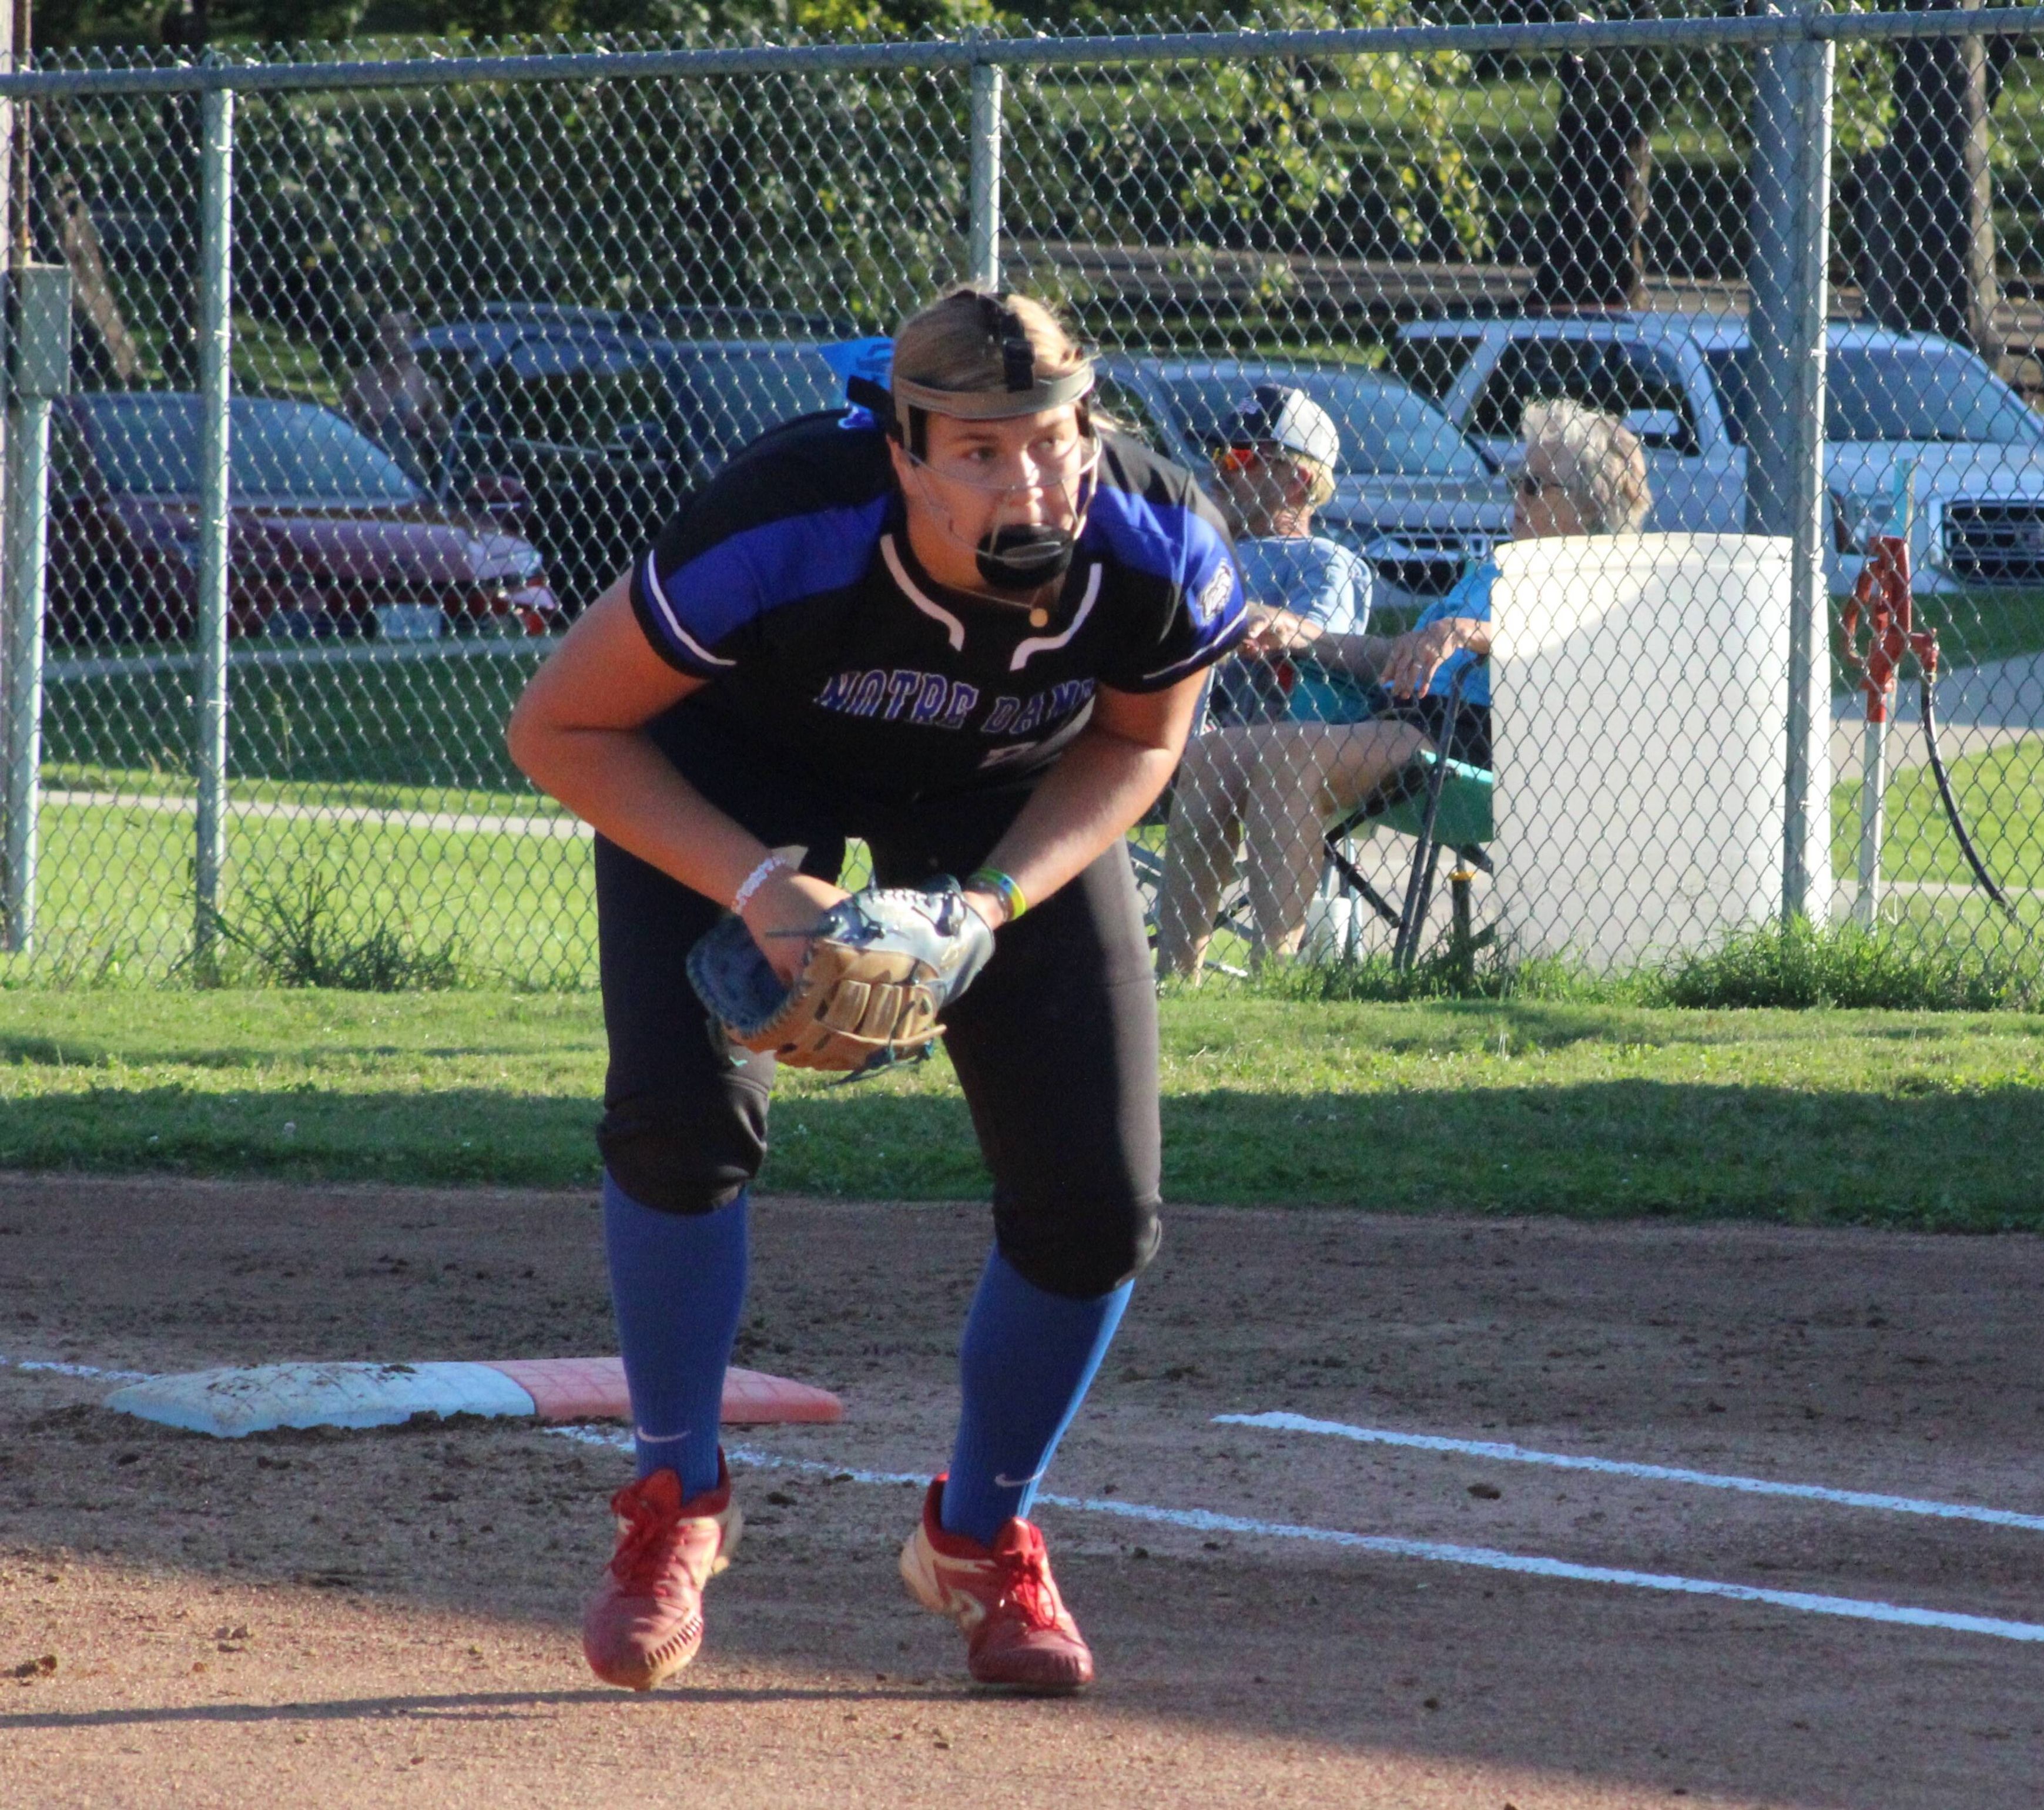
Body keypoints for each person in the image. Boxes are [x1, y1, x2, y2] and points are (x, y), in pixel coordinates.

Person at [507, 288, 1245, 1695]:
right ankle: (675, 1506)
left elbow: (1141, 747)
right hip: (734, 774)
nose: (1025, 477)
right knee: (680, 1121)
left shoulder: (1158, 540)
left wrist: (990, 904)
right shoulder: (785, 524)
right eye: (974, 451)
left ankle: (977, 1540)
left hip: (999, 802)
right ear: (899, 452)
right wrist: (758, 891)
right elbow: (558, 722)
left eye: (1047, 440)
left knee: (1097, 1204)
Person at [1155, 397, 1649, 982]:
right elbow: (1397, 656)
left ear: (1589, 502)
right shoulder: (1499, 565)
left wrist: (1470, 632)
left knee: (1292, 760)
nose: (1516, 493)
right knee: (1212, 755)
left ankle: (1275, 978)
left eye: (1534, 484)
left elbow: (1566, 641)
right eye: (1517, 478)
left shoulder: (1598, 573)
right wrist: (1300, 633)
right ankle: (1172, 977)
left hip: (1481, 738)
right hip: (1403, 720)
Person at [1199, 384, 1373, 726]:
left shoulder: (1322, 560)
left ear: (1295, 480)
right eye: (1218, 453)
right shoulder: (1200, 544)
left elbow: (1317, 662)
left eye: (1241, 457)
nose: (1220, 469)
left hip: (1228, 732)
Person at [342, 309, 451, 485]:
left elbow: (446, 438)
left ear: (411, 334)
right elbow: (339, 426)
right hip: (366, 473)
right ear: (378, 337)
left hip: (409, 476)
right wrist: (366, 424)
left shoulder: (426, 385)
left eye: (402, 330)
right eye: (389, 331)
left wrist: (420, 429)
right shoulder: (361, 382)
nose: (396, 338)